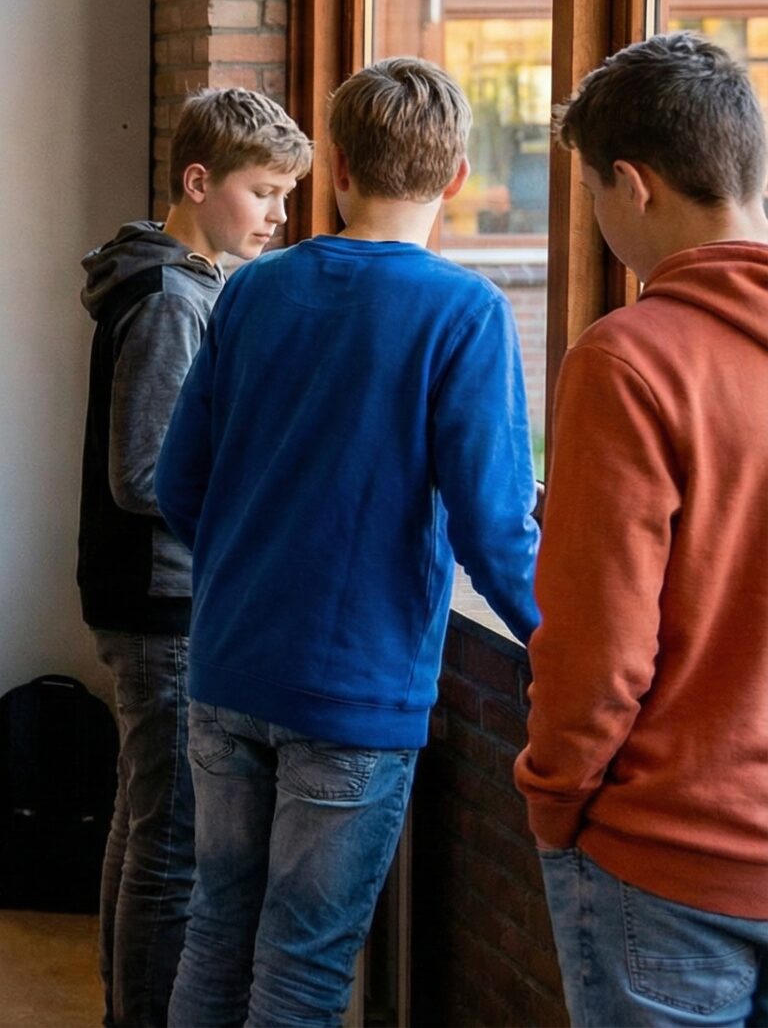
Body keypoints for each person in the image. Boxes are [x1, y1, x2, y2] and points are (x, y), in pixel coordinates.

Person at [156, 58, 540, 1028]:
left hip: (228, 664)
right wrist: (561, 640)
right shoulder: (463, 312)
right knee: (302, 967)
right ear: (457, 177)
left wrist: (248, 563)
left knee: (215, 931)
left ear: (336, 165)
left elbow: (178, 481)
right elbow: (495, 528)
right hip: (354, 688)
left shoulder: (251, 291)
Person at [516, 33, 768, 1026]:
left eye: (590, 191)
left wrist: (552, 798)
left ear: (631, 184)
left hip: (668, 858)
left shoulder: (629, 361)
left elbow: (600, 645)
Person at [77, 88, 309, 1028]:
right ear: (200, 181)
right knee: (170, 848)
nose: (278, 215)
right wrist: (255, 516)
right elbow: (143, 473)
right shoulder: (175, 300)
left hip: (149, 594)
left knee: (142, 825)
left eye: (287, 195)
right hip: (162, 600)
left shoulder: (183, 280)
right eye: (264, 192)